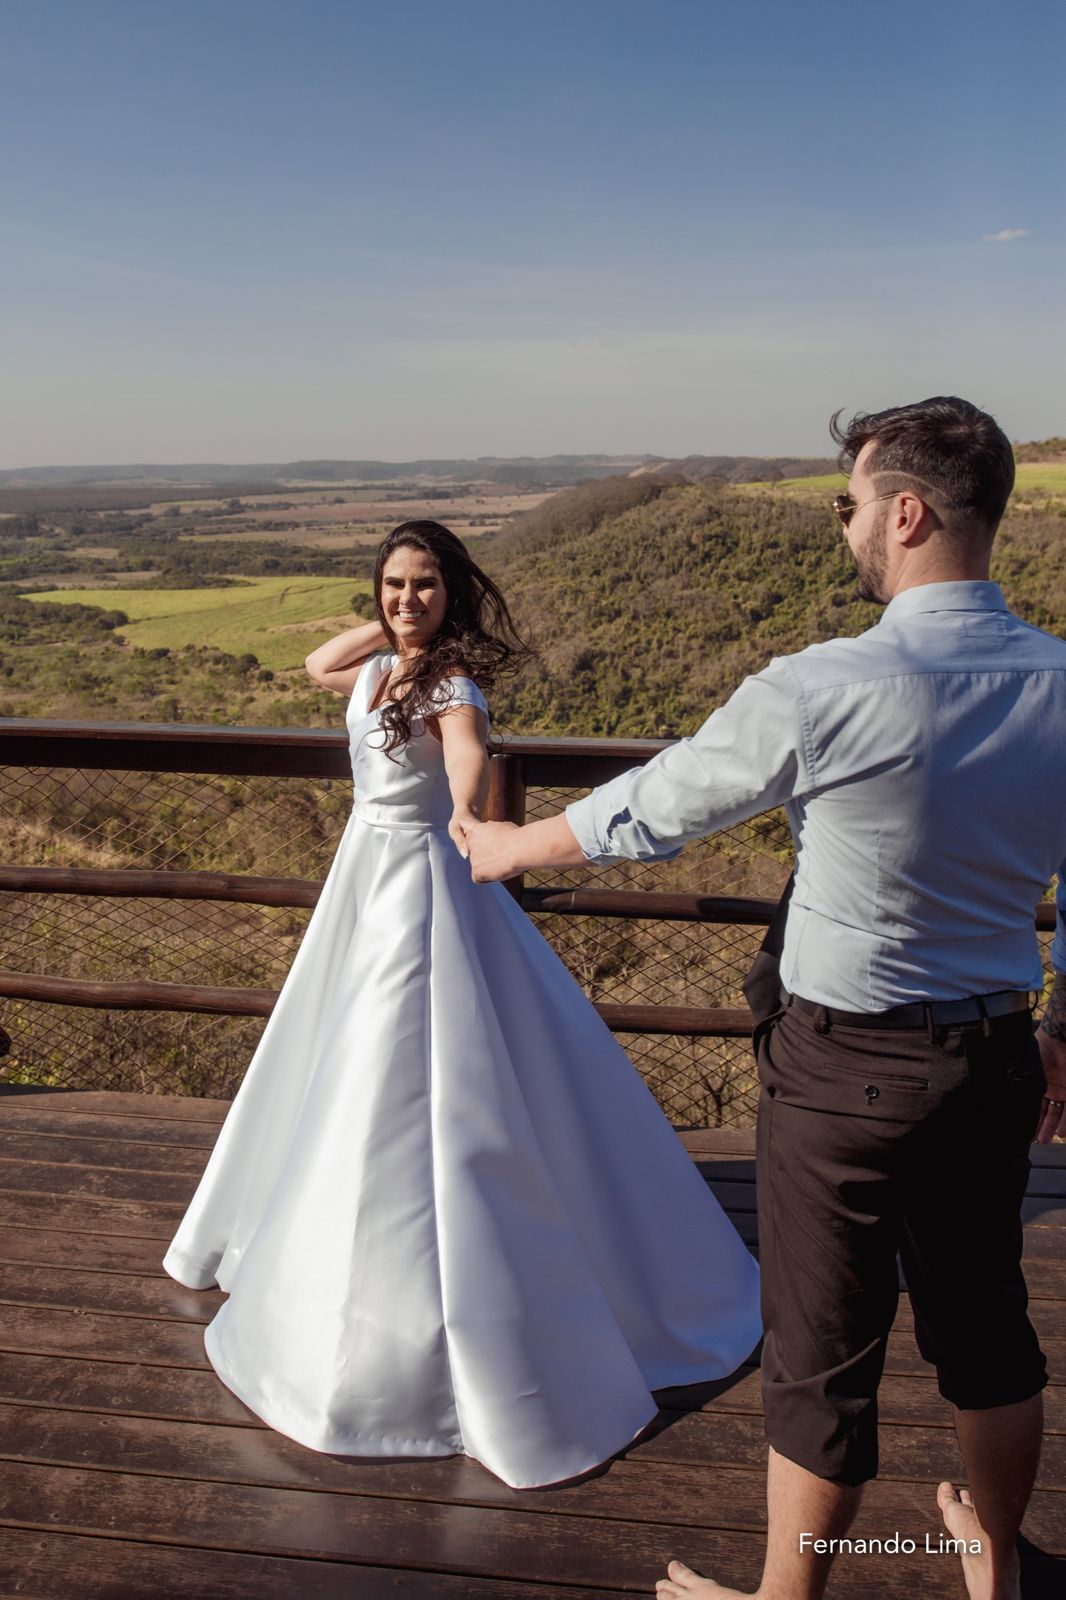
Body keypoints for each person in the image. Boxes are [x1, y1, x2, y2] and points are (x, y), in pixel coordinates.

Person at [467, 398, 1066, 1595]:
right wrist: (1063, 1028)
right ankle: (997, 1570)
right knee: (986, 1329)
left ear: (906, 514)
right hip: (998, 1055)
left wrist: (508, 845)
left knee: (820, 1361)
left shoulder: (823, 686)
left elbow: (661, 804)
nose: (845, 526)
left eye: (850, 504)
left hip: (843, 1073)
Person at [163, 518, 760, 1491]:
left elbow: (467, 752)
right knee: (339, 1045)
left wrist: (465, 811)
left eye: (426, 585)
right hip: (361, 875)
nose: (408, 598)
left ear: (454, 594)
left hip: (419, 877)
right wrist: (390, 628)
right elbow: (319, 665)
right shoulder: (379, 666)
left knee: (414, 1059)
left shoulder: (452, 685)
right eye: (394, 583)